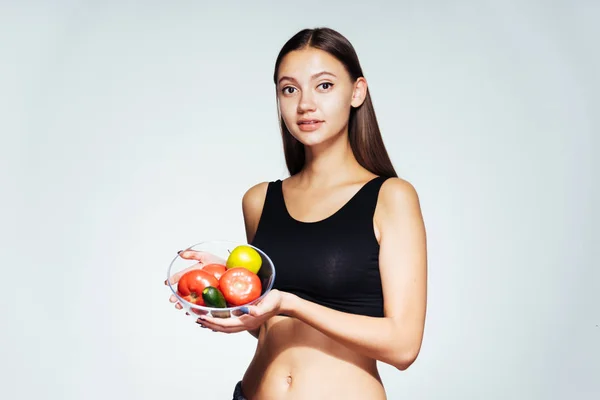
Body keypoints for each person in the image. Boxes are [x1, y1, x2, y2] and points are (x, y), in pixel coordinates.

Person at [166, 27, 428, 400]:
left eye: (323, 86)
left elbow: (403, 347)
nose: (305, 104)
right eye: (289, 89)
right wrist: (228, 283)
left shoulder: (390, 197)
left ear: (357, 92)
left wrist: (292, 303)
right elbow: (265, 326)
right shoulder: (259, 200)